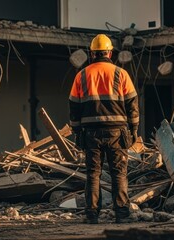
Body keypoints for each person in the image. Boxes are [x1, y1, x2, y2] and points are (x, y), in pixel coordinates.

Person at [68, 34, 139, 224]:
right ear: (109, 53)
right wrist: (134, 130)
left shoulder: (81, 76)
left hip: (91, 133)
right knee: (119, 174)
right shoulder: (121, 74)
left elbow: (74, 107)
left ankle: (92, 215)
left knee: (93, 174)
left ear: (92, 54)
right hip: (117, 132)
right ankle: (122, 214)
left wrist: (77, 133)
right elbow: (132, 104)